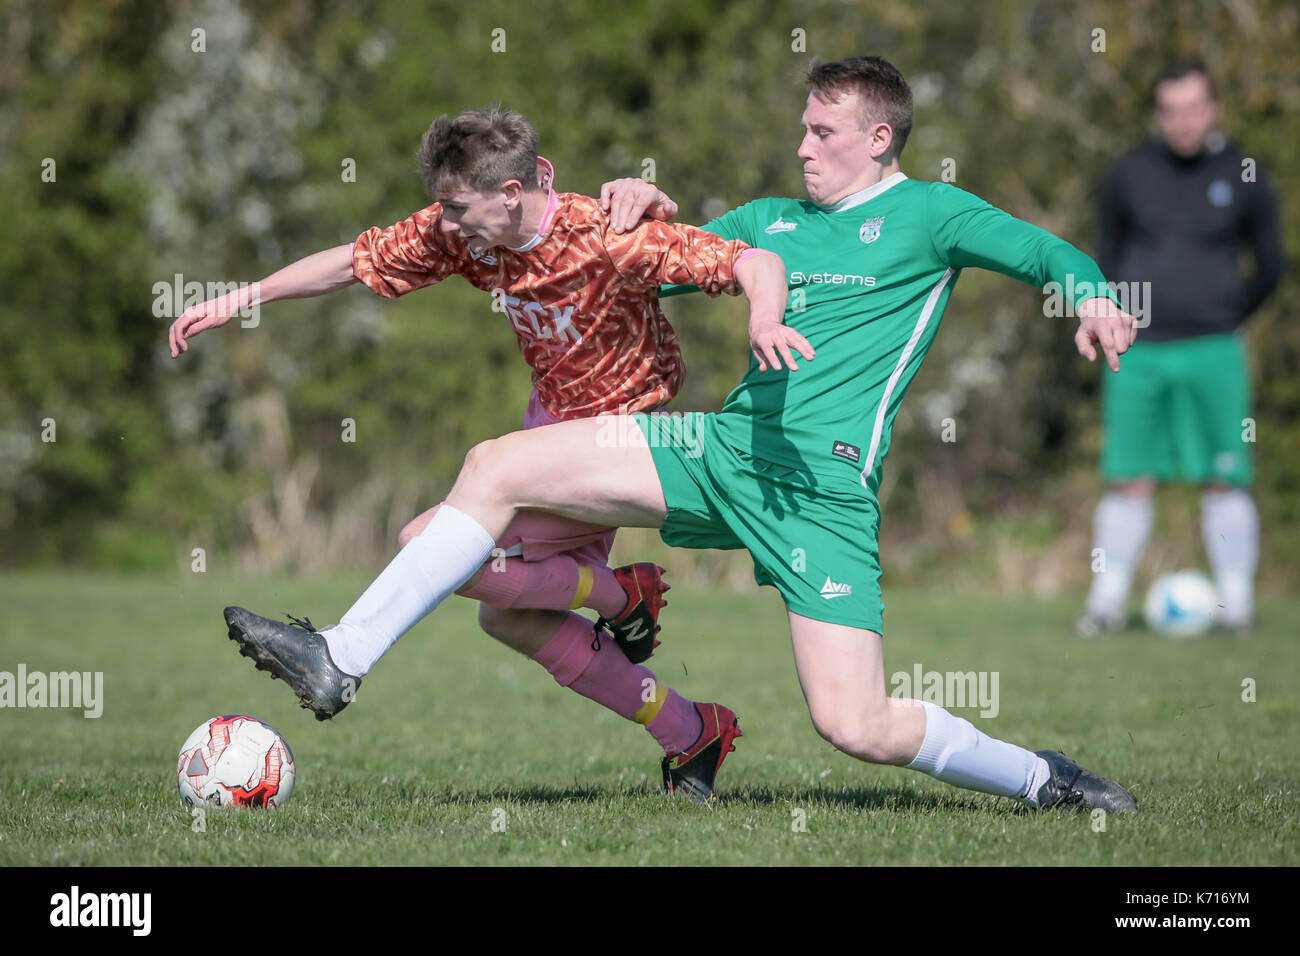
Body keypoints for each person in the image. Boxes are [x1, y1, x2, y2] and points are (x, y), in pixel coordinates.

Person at [227, 57, 1141, 812]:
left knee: (855, 726)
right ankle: (341, 657)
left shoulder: (933, 215)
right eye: (802, 127)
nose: (802, 146)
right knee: (486, 474)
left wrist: (1094, 296)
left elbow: (1044, 252)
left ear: (879, 138)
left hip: (820, 490)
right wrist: (634, 199)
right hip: (713, 451)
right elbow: (649, 266)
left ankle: (1042, 780)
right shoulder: (770, 219)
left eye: (822, 133)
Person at [168, 106, 797, 800]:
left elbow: (752, 258)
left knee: (449, 513)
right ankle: (687, 724)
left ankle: (341, 656)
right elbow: (354, 260)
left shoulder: (606, 236)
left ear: (512, 192)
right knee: (498, 608)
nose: (445, 221)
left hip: (626, 437)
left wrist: (763, 316)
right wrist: (243, 298)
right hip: (550, 432)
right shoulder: (466, 232)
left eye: (457, 206)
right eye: (442, 204)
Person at [1076, 59, 1284, 638]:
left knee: (1223, 476)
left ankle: (1236, 607)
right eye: (1171, 110)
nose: (1183, 121)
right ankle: (1106, 605)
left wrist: (1225, 315)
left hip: (1215, 348)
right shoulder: (1128, 174)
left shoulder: (1245, 172)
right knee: (1130, 477)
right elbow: (1103, 258)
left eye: (1193, 108)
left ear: (1212, 108)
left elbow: (1271, 265)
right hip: (1138, 351)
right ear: (1158, 115)